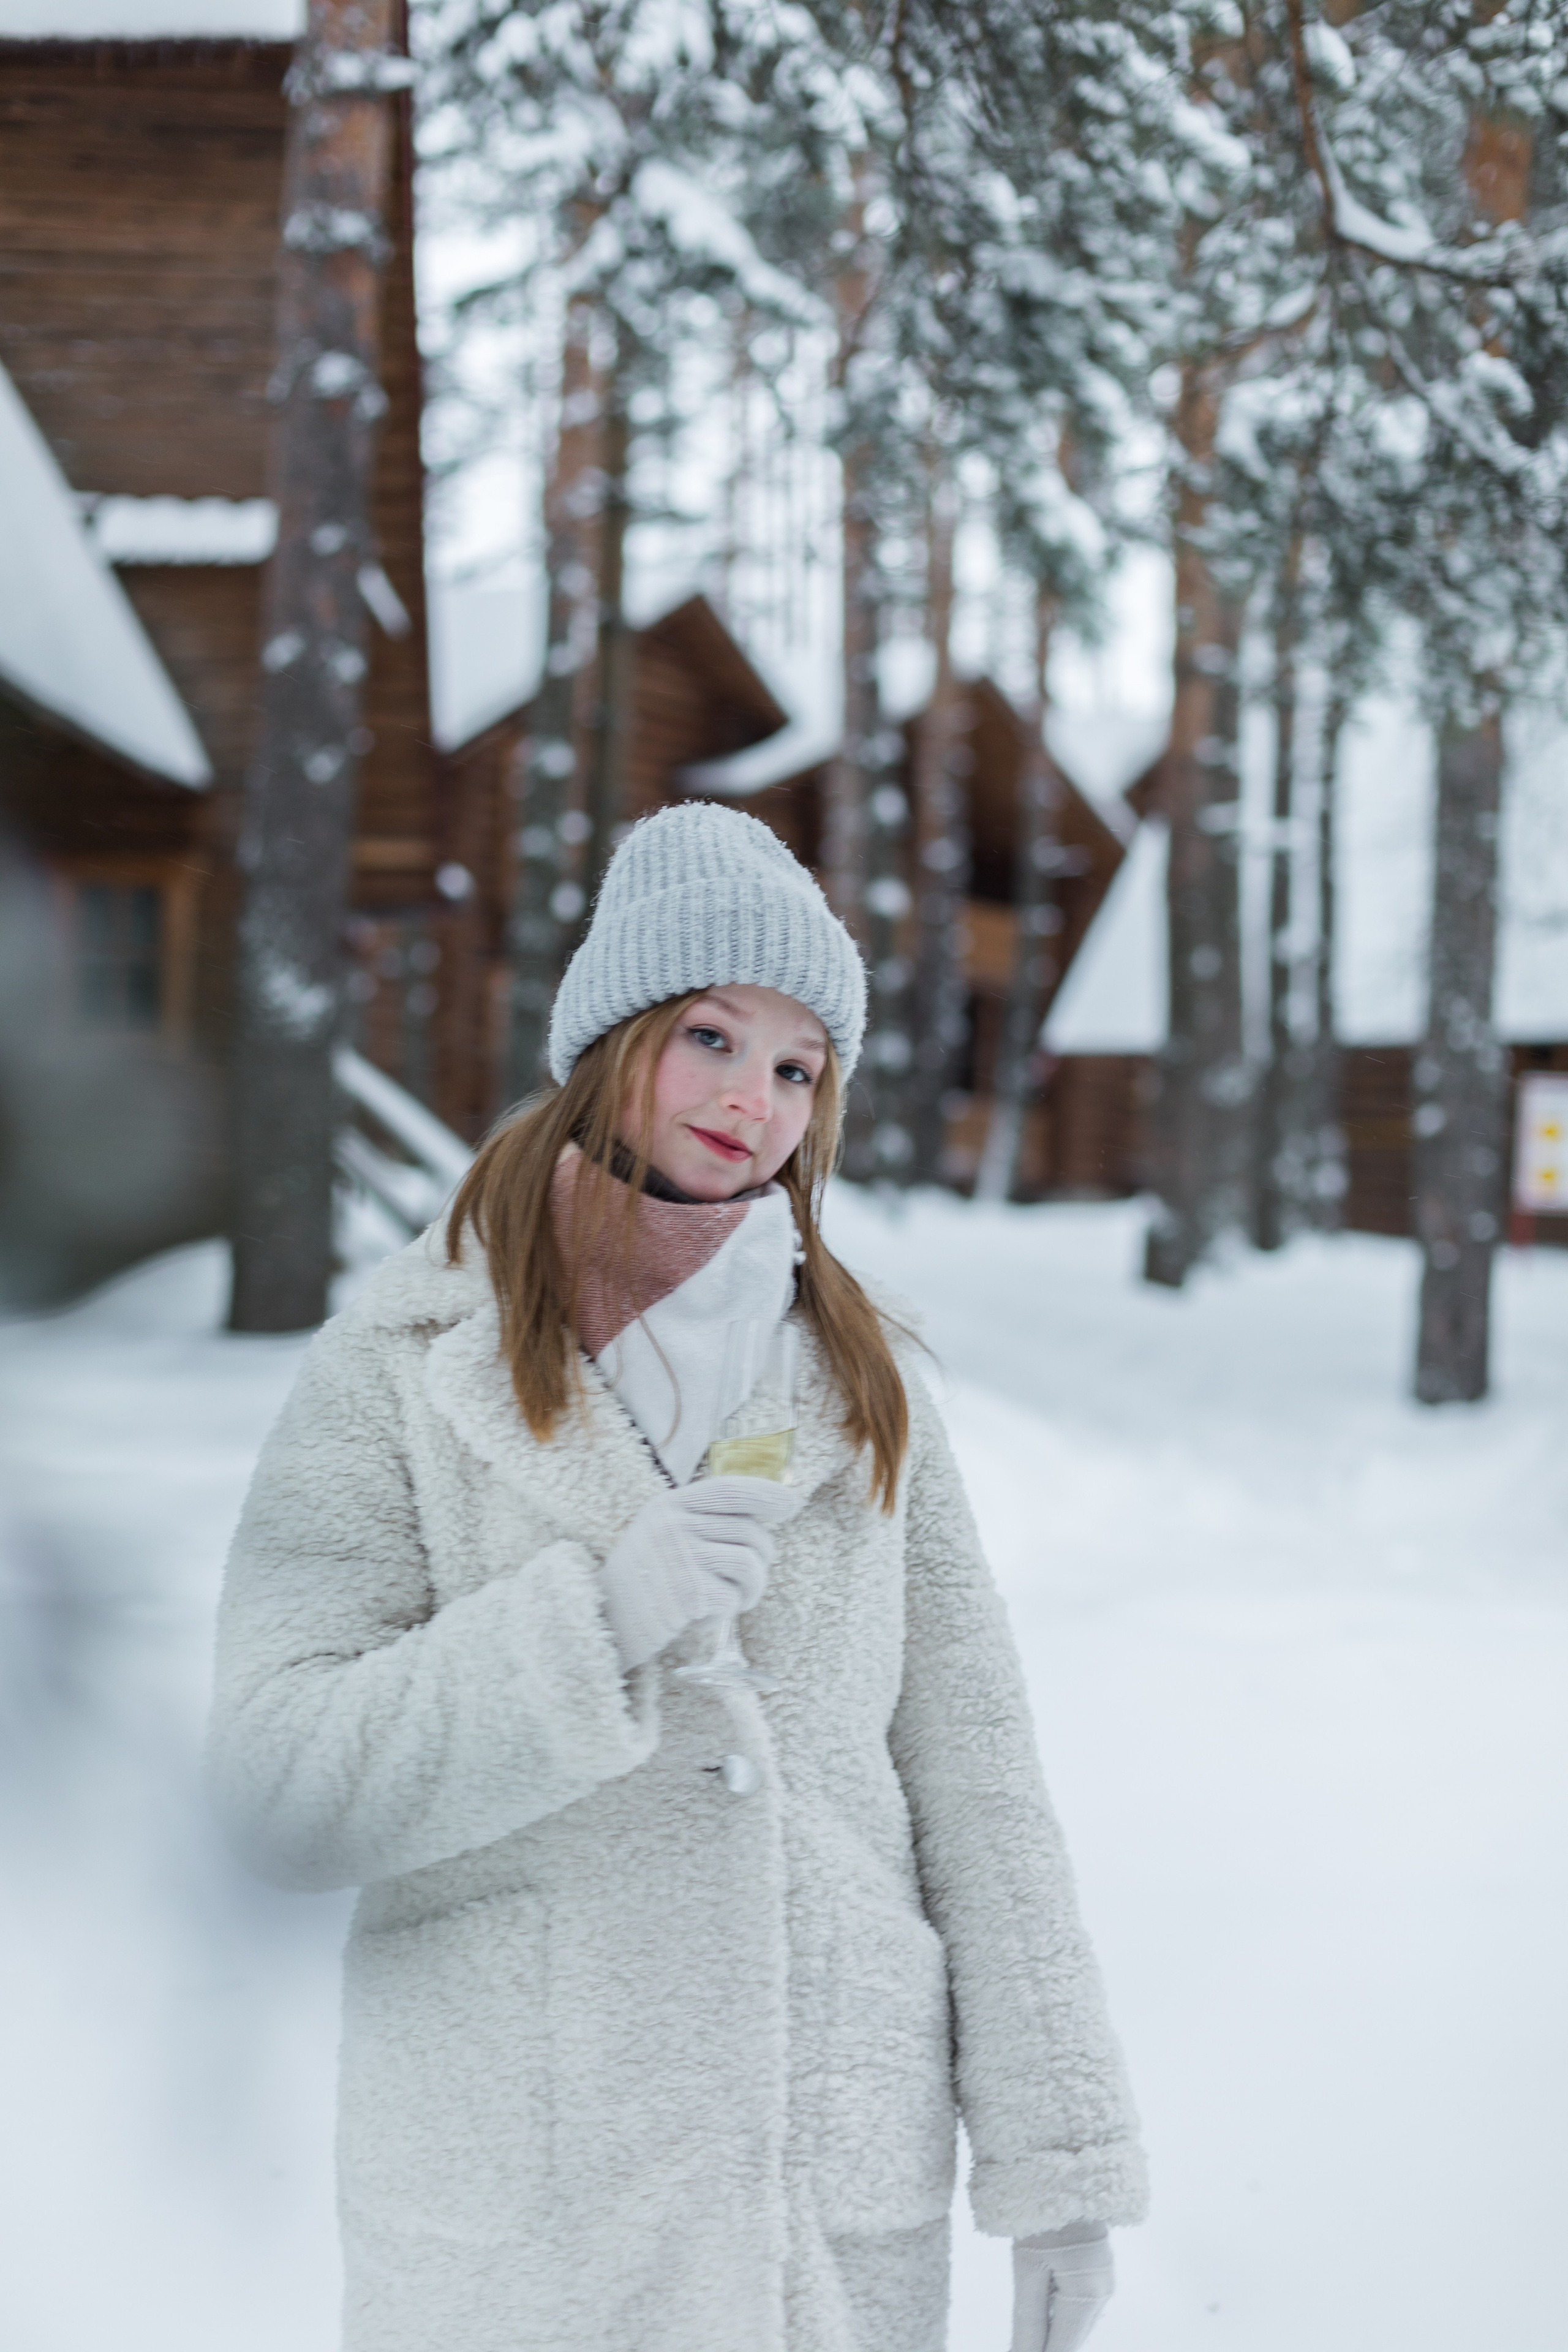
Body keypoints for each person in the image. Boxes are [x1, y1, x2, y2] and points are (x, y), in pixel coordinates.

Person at [209, 803, 1147, 2352]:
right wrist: (590, 1629)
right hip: (523, 2211)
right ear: (613, 1035)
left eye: (796, 1066)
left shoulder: (859, 1379)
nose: (752, 1098)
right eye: (711, 1034)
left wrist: (1060, 2165)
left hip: (823, 2193)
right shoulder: (396, 1368)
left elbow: (975, 1781)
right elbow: (276, 1784)